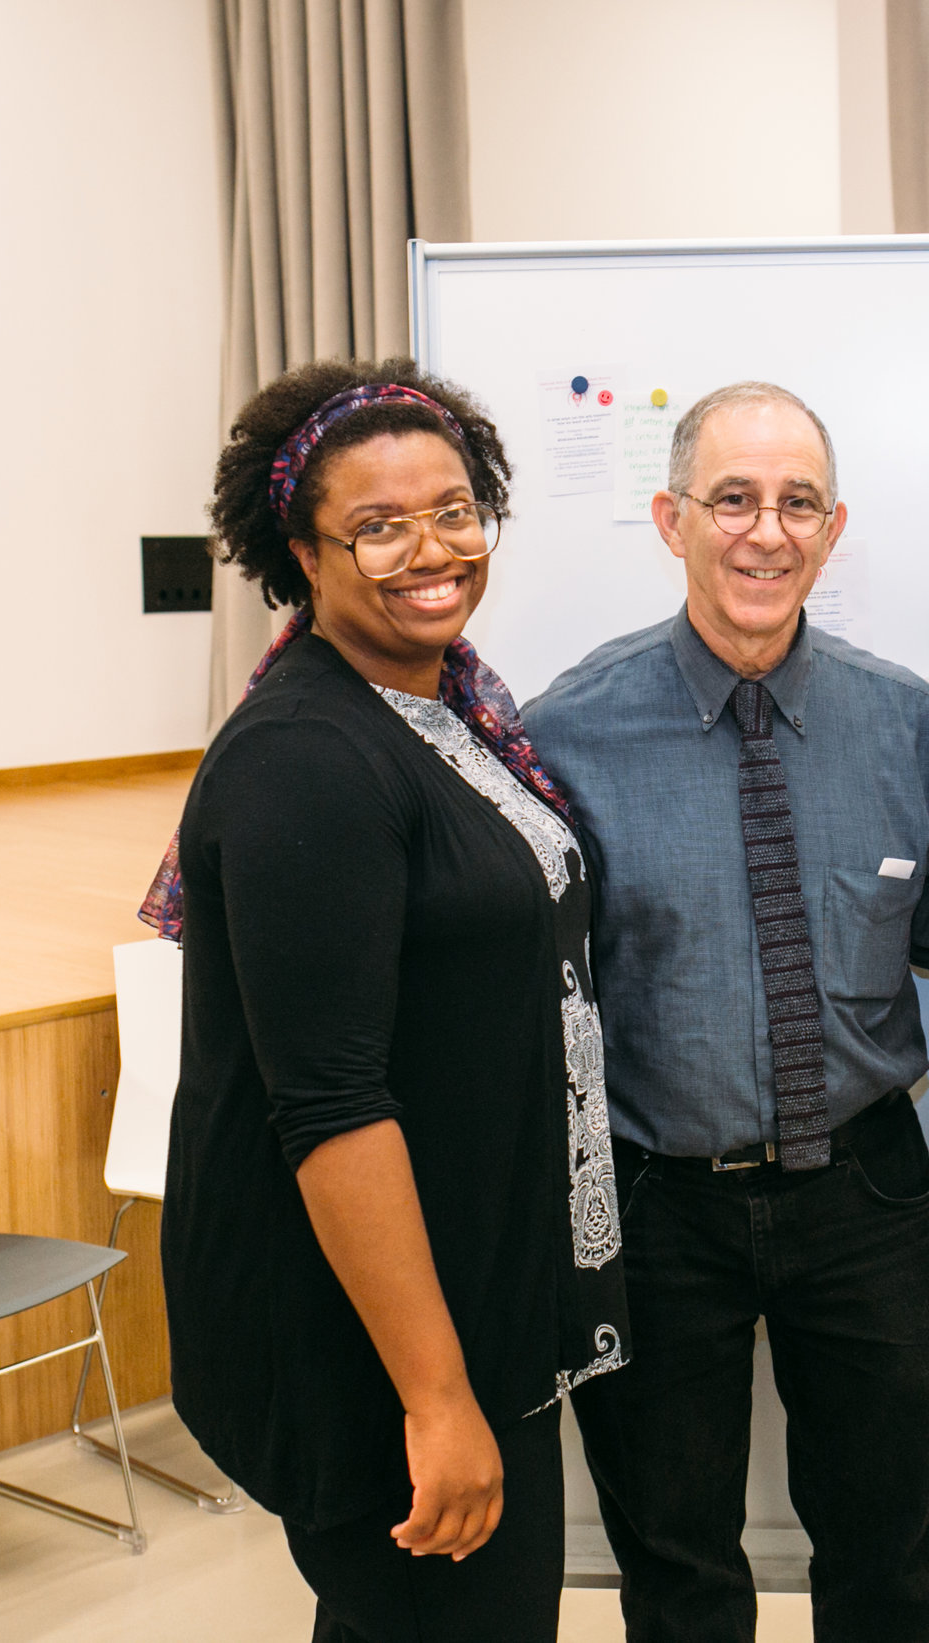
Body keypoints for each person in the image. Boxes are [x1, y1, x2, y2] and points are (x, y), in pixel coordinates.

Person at [152, 359, 628, 1643]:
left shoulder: (443, 704)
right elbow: (330, 1106)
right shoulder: (306, 758)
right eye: (378, 523)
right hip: (377, 1343)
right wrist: (435, 1397)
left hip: (468, 1291)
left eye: (455, 508)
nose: (432, 547)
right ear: (298, 552)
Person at [524, 381, 929, 1643]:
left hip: (868, 1204)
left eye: (796, 503)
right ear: (673, 519)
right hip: (658, 1209)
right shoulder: (567, 734)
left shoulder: (910, 727)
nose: (765, 531)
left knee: (889, 1564)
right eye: (732, 500)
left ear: (832, 530)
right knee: (678, 1576)